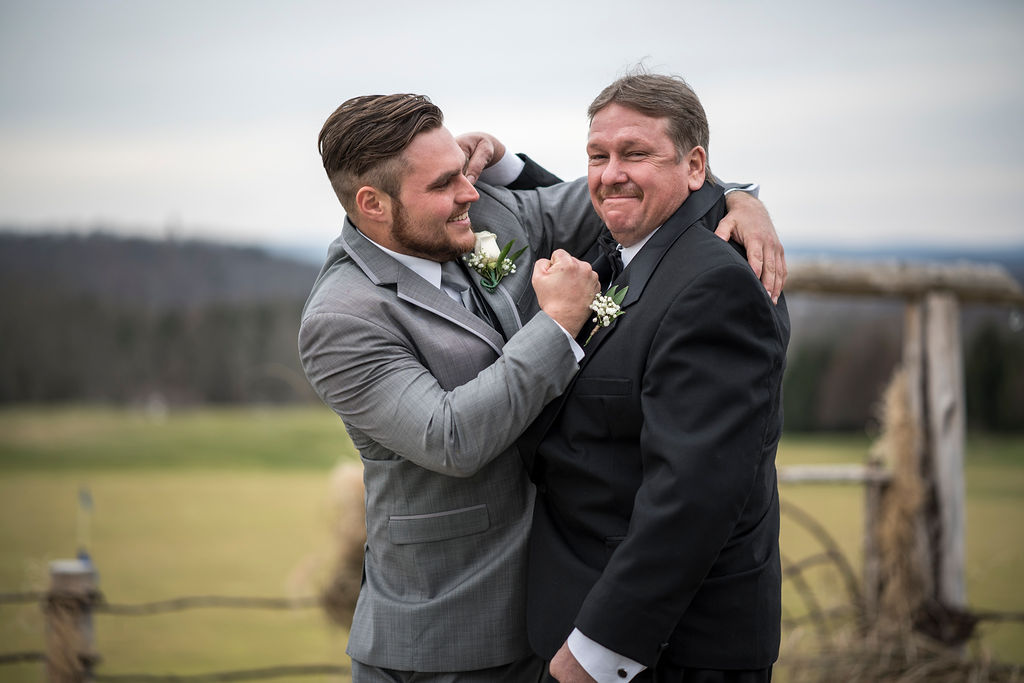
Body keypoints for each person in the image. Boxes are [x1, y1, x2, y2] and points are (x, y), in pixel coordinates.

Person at [299, 92, 785, 681]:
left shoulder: (483, 216)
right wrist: (558, 325)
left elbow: (632, 185)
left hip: (558, 615)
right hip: (446, 632)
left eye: (462, 171)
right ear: (373, 204)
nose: (470, 193)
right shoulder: (342, 318)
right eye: (444, 183)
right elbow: (450, 438)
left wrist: (738, 199)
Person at [519, 73, 791, 683]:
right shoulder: (627, 250)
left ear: (695, 167)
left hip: (667, 650)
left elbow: (693, 494)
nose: (610, 174)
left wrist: (600, 651)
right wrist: (506, 164)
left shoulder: (715, 286)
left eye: (635, 153)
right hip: (588, 619)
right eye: (597, 156)